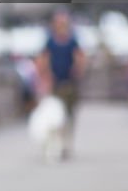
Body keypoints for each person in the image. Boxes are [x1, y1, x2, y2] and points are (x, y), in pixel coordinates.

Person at [36, 10, 87, 158]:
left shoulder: (72, 40)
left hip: (69, 82)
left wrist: (77, 71)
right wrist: (45, 77)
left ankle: (66, 142)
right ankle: (56, 142)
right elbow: (43, 59)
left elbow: (80, 57)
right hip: (55, 83)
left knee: (69, 114)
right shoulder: (50, 41)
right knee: (55, 114)